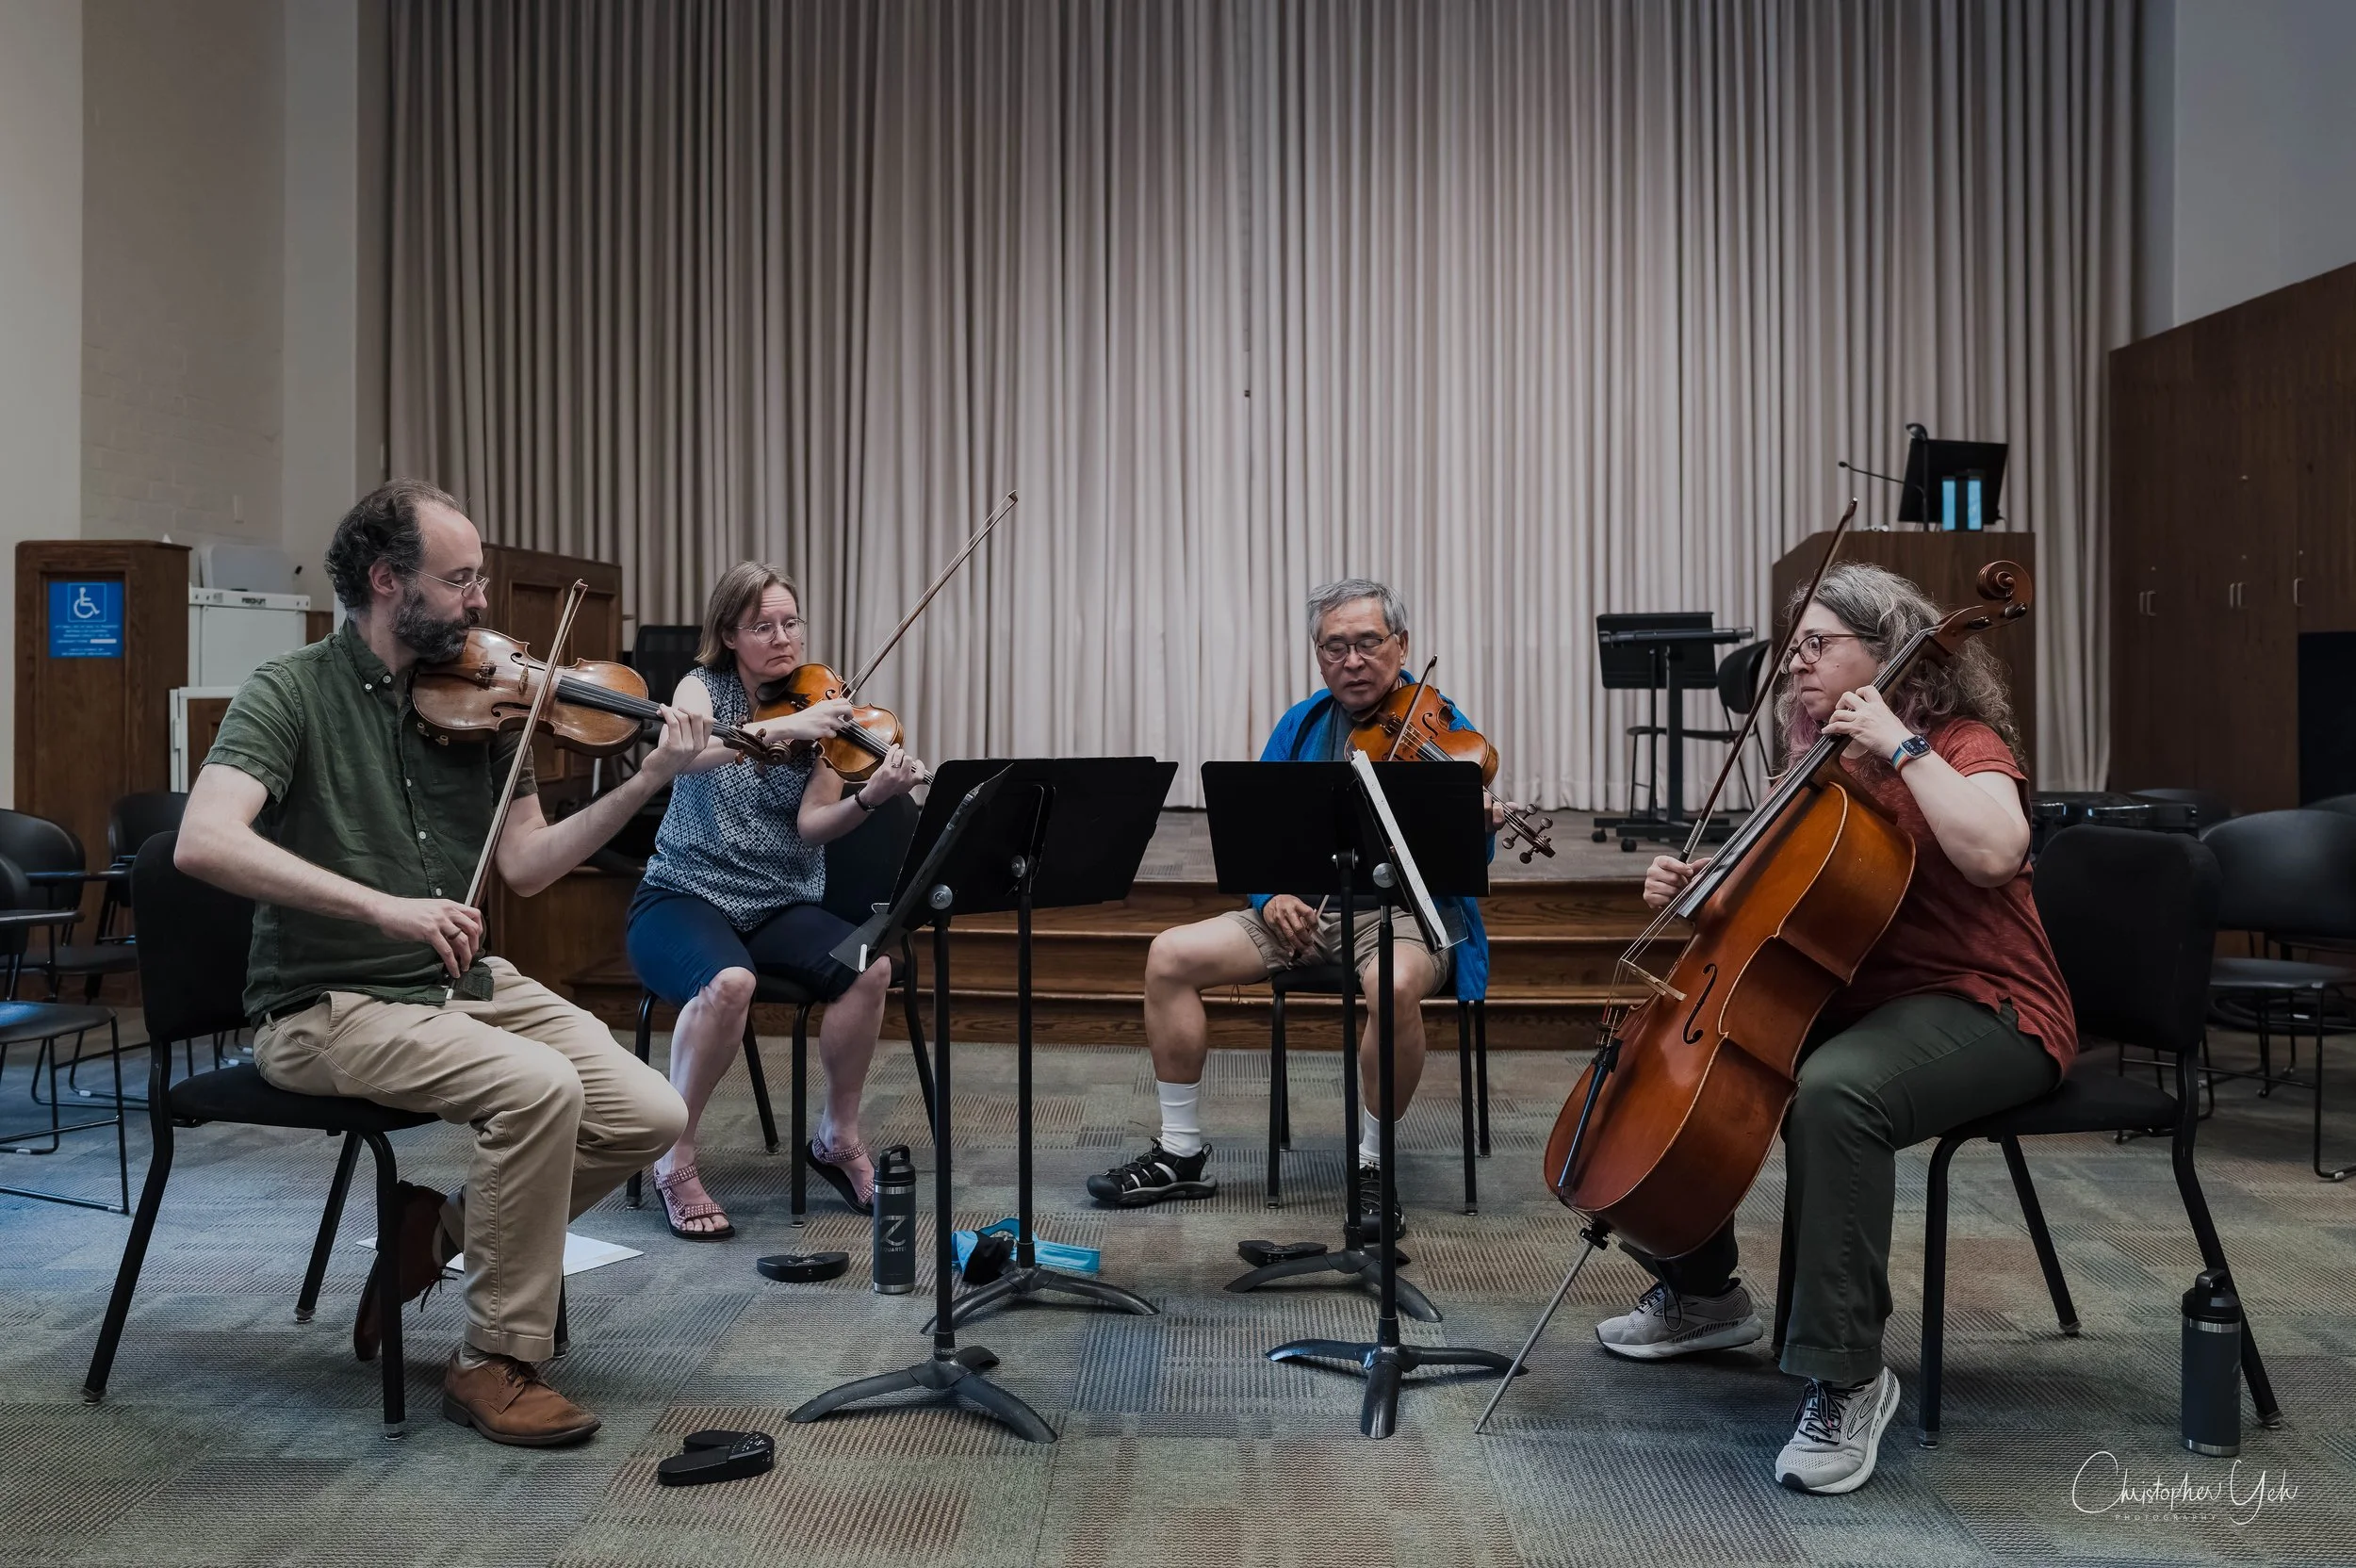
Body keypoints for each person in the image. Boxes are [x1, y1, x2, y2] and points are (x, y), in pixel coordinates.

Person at [176, 479, 702, 1447]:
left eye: (480, 580)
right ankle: (493, 1358)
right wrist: (384, 905)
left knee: (652, 1112)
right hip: (326, 1004)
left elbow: (529, 868)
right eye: (460, 580)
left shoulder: (489, 702)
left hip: (456, 989)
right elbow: (203, 840)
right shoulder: (289, 691)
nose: (481, 603)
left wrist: (653, 778)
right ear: (386, 581)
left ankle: (436, 1235)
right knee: (543, 1089)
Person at [1595, 562, 2075, 1496]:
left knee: (1835, 1092)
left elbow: (1996, 850)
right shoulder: (1814, 768)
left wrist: (1899, 742)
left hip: (1988, 1006)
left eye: (1819, 645)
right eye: (1794, 648)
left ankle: (1845, 1373)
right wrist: (1701, 891)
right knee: (1686, 1057)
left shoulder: (1958, 744)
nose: (1795, 665)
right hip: (1859, 1002)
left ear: (1886, 650)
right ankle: (1703, 1292)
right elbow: (1777, 909)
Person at [1084, 579, 1511, 1233]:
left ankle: (1374, 1167)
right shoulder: (1303, 722)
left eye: (1368, 642)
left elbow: (1465, 870)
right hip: (1305, 913)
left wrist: (1475, 823)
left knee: (1391, 987)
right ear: (1319, 658)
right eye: (1334, 647)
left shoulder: (1445, 731)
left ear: (1401, 645)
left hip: (1401, 917)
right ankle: (1179, 1152)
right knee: (1168, 954)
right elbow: (1259, 836)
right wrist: (1271, 895)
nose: (1353, 660)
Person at [624, 563, 923, 1239]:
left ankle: (837, 1137)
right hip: (683, 897)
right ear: (729, 633)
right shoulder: (703, 689)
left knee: (872, 961)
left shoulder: (819, 706)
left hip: (782, 903)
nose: (782, 638)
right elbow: (686, 757)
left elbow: (813, 825)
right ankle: (676, 1157)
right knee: (730, 983)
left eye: (791, 623)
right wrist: (795, 727)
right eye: (763, 626)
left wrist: (871, 797)